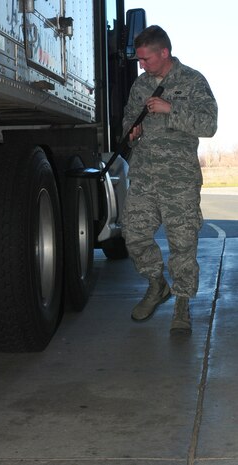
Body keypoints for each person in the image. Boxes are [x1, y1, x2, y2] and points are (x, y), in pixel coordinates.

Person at [121, 25, 218, 334]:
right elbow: (128, 120)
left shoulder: (193, 81)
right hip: (145, 176)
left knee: (183, 244)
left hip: (180, 179)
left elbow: (209, 124)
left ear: (164, 53)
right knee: (134, 234)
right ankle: (156, 284)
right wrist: (131, 133)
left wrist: (170, 109)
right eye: (139, 59)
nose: (142, 65)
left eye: (146, 59)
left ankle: (182, 305)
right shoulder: (140, 85)